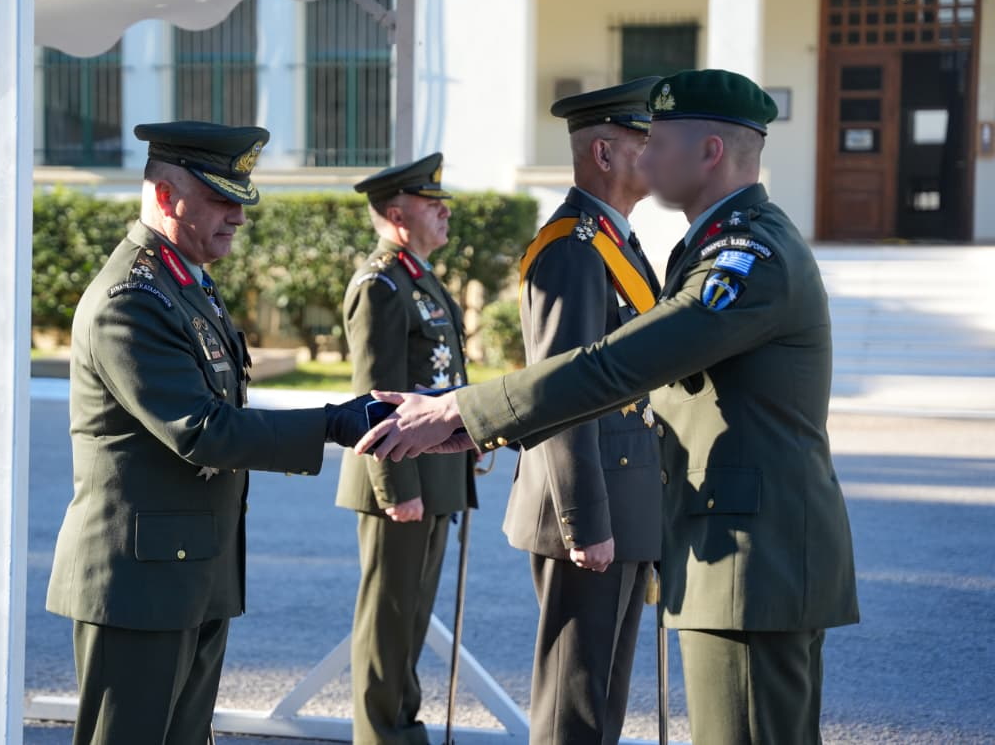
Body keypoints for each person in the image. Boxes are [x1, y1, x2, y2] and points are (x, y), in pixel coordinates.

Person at [355, 70, 860, 745]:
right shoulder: (709, 245)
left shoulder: (747, 257)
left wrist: (461, 413)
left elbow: (615, 366)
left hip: (752, 558)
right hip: (737, 550)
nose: (646, 158)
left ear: (710, 152)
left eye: (660, 143)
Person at [45, 120, 368, 745]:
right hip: (138, 584)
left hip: (191, 572)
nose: (238, 217)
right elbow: (200, 429)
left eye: (239, 200)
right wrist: (331, 422)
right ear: (166, 196)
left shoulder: (185, 281)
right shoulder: (131, 297)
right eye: (221, 199)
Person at [509, 78, 663, 745]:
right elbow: (562, 392)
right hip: (591, 511)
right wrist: (585, 520)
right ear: (603, 153)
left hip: (625, 501)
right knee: (574, 708)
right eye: (643, 143)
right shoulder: (573, 249)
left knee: (601, 705)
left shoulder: (617, 240)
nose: (658, 156)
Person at [335, 153, 475, 745]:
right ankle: (382, 736)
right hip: (402, 479)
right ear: (397, 215)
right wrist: (397, 490)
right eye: (430, 203)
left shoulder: (419, 277)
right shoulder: (381, 285)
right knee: (389, 624)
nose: (444, 212)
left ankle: (402, 729)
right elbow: (376, 395)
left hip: (433, 475)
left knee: (412, 619)